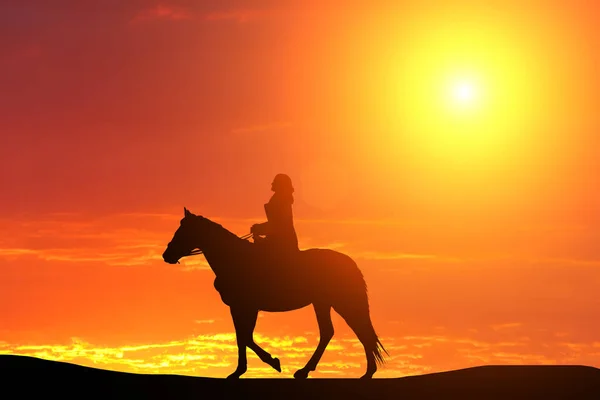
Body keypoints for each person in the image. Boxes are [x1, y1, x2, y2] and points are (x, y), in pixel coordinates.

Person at [251, 173, 300, 255]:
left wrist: (258, 228)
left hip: (282, 244)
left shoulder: (281, 200)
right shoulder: (279, 198)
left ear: (280, 185)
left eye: (275, 182)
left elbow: (279, 225)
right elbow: (276, 224)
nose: (272, 183)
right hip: (279, 241)